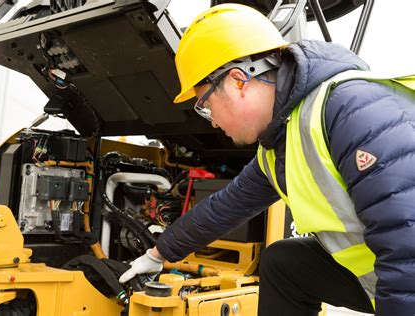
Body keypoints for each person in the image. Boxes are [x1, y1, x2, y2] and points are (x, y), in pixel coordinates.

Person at [119, 4, 415, 315]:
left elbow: (407, 240)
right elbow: (224, 208)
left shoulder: (352, 110)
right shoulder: (281, 143)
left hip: (405, 274)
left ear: (238, 81)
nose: (212, 121)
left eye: (205, 105)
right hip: (382, 276)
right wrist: (157, 254)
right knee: (284, 264)